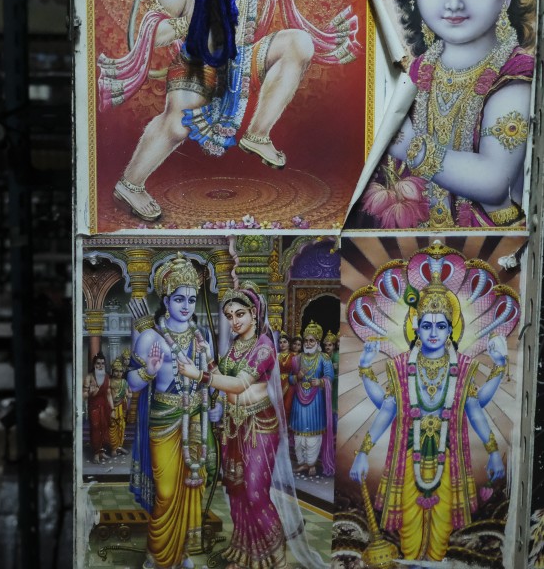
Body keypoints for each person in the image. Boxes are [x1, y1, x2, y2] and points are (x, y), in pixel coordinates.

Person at [99, 0, 358, 221]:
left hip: (242, 60)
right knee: (177, 125)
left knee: (299, 43)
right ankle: (130, 184)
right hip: (197, 64)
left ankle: (258, 135)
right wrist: (191, 21)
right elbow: (152, 32)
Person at [360, 0, 535, 228]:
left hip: (491, 245)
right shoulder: (418, 71)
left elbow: (493, 181)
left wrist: (408, 145)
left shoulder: (515, 76)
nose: (453, 2)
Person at [347, 243, 514, 562]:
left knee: (441, 535)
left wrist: (493, 452)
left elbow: (475, 410)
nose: (433, 333)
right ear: (416, 327)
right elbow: (387, 409)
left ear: (451, 329)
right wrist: (363, 452)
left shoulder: (463, 367)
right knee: (409, 534)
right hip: (408, 460)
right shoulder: (400, 367)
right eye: (427, 325)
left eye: (441, 326)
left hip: (448, 461)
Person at [201, 283, 322, 568]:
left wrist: (200, 375)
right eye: (229, 316)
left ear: (254, 314)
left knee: (255, 492)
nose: (234, 321)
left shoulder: (264, 346)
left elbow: (239, 384)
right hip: (234, 426)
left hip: (259, 426)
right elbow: (224, 381)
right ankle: (246, 551)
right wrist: (208, 357)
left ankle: (274, 556)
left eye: (239, 314)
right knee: (237, 490)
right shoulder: (235, 345)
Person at [126, 253, 217, 569]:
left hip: (195, 420)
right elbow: (132, 384)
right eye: (179, 299)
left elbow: (211, 379)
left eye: (191, 299)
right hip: (163, 421)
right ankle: (157, 553)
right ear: (166, 300)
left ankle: (182, 553)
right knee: (165, 491)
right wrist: (149, 371)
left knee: (194, 486)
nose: (186, 306)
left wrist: (215, 401)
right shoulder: (151, 337)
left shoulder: (202, 338)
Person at [288, 321, 335, 477]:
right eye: (306, 340)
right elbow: (289, 379)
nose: (308, 343)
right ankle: (302, 463)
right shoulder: (296, 359)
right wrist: (297, 376)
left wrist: (321, 382)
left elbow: (330, 377)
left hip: (316, 401)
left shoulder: (324, 358)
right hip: (298, 401)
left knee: (314, 434)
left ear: (317, 342)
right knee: (299, 435)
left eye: (311, 341)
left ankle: (312, 463)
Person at [84, 352, 112, 464]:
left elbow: (108, 394)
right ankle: (96, 453)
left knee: (104, 429)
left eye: (102, 363)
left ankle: (101, 452)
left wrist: (113, 409)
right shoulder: (89, 377)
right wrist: (91, 392)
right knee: (95, 429)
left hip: (105, 407)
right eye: (98, 363)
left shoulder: (107, 377)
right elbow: (84, 395)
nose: (100, 366)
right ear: (94, 364)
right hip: (94, 407)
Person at [108, 353, 132, 457]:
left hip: (121, 407)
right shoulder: (109, 382)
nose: (118, 373)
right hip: (111, 408)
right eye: (116, 371)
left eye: (121, 371)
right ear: (112, 371)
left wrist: (129, 394)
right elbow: (107, 395)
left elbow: (129, 394)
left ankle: (120, 446)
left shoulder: (124, 382)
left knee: (121, 427)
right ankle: (114, 448)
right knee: (112, 427)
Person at [277, 335, 295, 420]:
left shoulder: (294, 356)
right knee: (277, 405)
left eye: (285, 342)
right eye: (280, 342)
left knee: (287, 405)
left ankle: (286, 426)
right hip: (277, 382)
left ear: (289, 343)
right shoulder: (276, 356)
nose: (282, 344)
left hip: (290, 383)